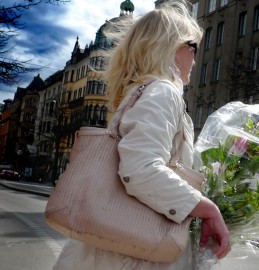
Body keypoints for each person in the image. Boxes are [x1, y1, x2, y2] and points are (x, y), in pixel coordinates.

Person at [52, 1, 230, 269]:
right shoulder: (163, 91)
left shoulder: (142, 91)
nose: (195, 58)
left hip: (113, 246)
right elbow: (140, 169)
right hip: (132, 255)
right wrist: (208, 208)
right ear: (172, 48)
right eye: (193, 47)